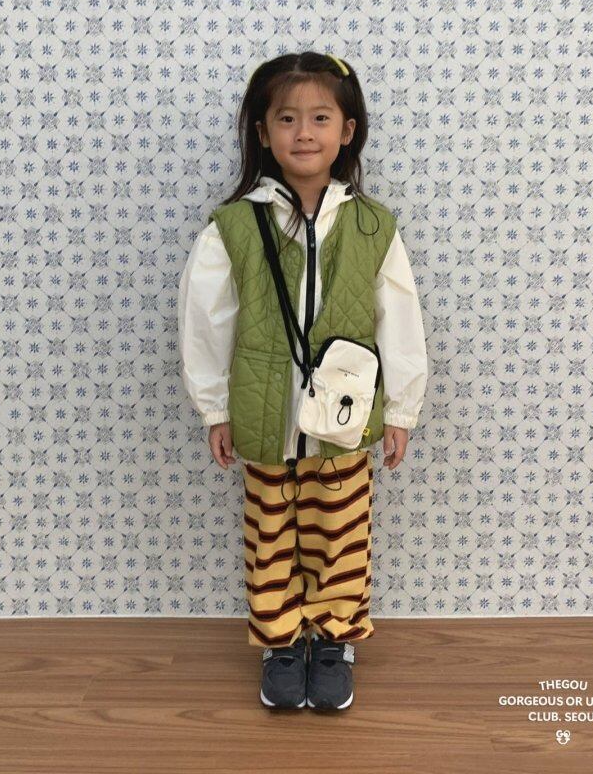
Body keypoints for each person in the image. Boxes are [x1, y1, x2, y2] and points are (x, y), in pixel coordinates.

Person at [178, 50, 428, 710]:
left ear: (348, 130)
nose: (304, 132)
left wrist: (401, 410)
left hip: (344, 419)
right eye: (287, 118)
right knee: (269, 539)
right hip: (265, 418)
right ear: (263, 132)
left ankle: (335, 639)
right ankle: (281, 642)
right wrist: (215, 409)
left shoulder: (373, 225)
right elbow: (206, 324)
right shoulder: (234, 225)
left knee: (341, 535)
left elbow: (399, 318)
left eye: (320, 117)